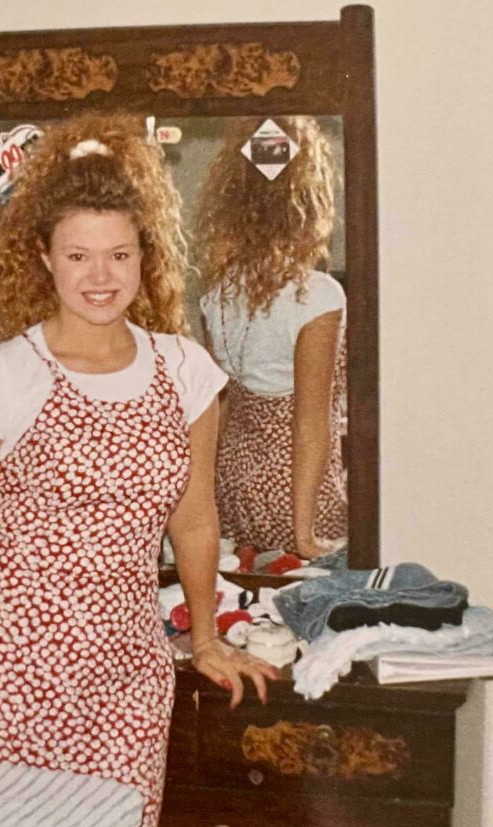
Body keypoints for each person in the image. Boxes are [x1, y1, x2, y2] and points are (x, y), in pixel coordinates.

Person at [0, 112, 279, 827]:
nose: (101, 276)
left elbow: (195, 519)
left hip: (124, 679)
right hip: (4, 673)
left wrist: (206, 636)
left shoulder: (186, 370)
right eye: (78, 255)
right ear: (44, 258)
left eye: (119, 253)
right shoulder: (1, 376)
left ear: (146, 256)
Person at [196, 116, 348, 561]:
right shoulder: (317, 295)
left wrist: (203, 500)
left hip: (233, 486)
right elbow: (310, 424)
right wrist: (304, 535)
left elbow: (219, 406)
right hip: (297, 492)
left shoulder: (217, 293)